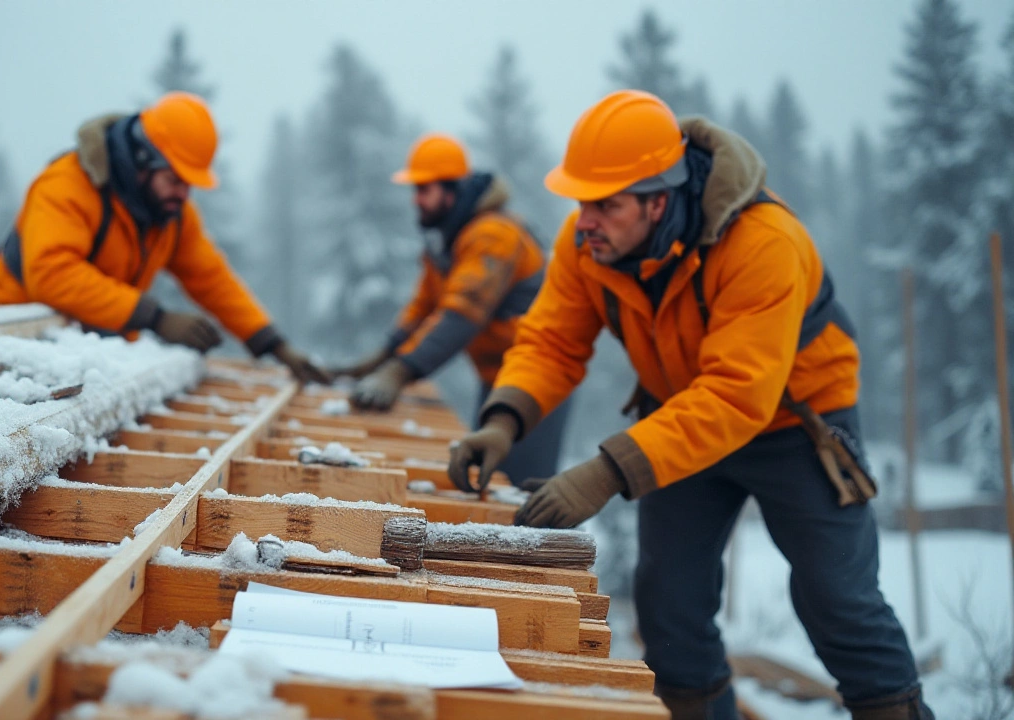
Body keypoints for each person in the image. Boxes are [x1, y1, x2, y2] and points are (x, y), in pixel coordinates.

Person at [448, 90, 932, 720]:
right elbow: (551, 340)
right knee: (669, 603)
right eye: (581, 201)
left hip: (797, 425)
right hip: (680, 419)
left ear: (659, 198)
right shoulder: (586, 241)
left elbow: (737, 395)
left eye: (606, 204)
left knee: (837, 600)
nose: (585, 219)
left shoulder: (762, 242)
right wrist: (503, 420)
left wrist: (606, 472)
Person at [0, 92, 327, 385]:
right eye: (175, 179)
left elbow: (211, 278)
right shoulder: (67, 187)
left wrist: (271, 342)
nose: (183, 193)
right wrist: (155, 318)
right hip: (13, 342)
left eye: (189, 183)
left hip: (82, 348)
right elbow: (51, 275)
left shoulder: (170, 212)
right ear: (142, 159)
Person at [335, 133, 568, 486]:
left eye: (424, 190)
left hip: (539, 383)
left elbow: (460, 317)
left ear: (451, 190)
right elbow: (423, 310)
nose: (416, 200)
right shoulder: (447, 241)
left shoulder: (493, 235)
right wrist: (381, 358)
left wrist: (399, 373)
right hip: (496, 379)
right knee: (488, 483)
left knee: (519, 494)